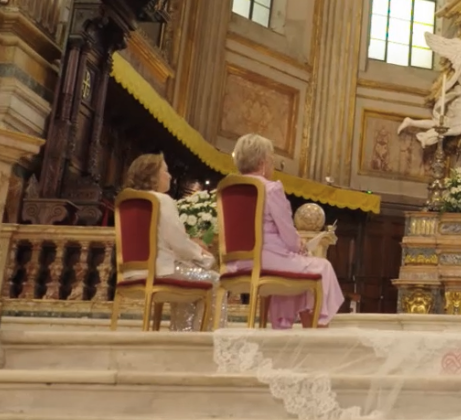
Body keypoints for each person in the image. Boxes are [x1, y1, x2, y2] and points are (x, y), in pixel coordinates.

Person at [223, 133, 344, 329]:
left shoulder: (228, 189)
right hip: (265, 260)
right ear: (262, 163)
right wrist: (300, 246)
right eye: (272, 160)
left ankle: (284, 326)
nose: (273, 166)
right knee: (323, 268)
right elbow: (288, 234)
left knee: (299, 270)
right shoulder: (270, 189)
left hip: (235, 263)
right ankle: (316, 334)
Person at [119, 152, 218, 330]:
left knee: (191, 280)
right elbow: (179, 244)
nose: (170, 176)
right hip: (161, 271)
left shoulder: (130, 202)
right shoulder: (162, 201)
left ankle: (182, 334)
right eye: (165, 171)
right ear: (153, 176)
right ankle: (205, 339)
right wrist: (201, 253)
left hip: (132, 272)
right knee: (214, 281)